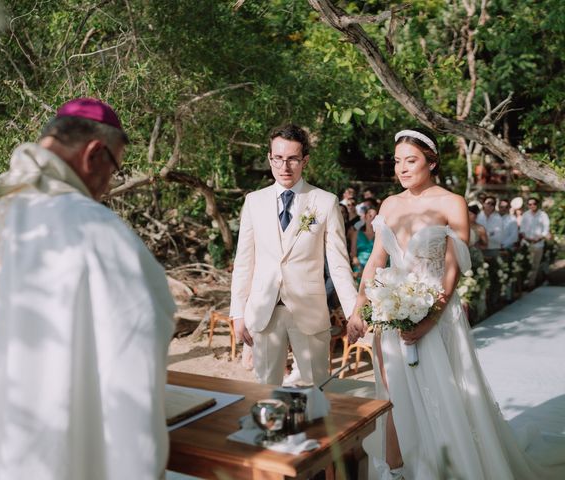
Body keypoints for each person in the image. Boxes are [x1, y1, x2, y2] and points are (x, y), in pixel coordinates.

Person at [0, 98, 176, 480]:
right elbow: (138, 342)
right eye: (115, 168)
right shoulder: (93, 228)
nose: (109, 186)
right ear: (95, 153)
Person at [347, 128, 564, 480]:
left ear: (431, 162)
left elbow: (453, 269)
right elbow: (376, 262)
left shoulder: (452, 203)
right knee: (391, 395)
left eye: (411, 160)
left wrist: (429, 318)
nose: (402, 168)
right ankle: (395, 470)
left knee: (442, 394)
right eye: (398, 161)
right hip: (390, 313)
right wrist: (360, 306)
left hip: (436, 313)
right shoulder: (388, 204)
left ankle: (445, 467)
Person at [230, 124, 357, 386]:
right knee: (266, 391)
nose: (284, 166)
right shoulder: (254, 201)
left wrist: (354, 311)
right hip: (264, 311)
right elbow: (244, 261)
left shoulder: (325, 201)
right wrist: (237, 313)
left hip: (309, 311)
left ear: (305, 160)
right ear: (269, 158)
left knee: (315, 391)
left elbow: (339, 264)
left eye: (292, 159)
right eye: (278, 158)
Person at [520, 197, 551, 289]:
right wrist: (526, 238)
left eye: (534, 204)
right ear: (528, 205)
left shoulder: (543, 215)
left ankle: (530, 284)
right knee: (525, 263)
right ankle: (524, 283)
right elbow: (522, 229)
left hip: (538, 244)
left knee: (535, 265)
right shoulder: (525, 215)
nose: (532, 206)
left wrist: (539, 237)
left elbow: (546, 229)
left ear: (537, 204)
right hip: (526, 243)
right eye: (530, 204)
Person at [349, 204, 377, 277]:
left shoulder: (379, 235)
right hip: (359, 266)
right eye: (370, 216)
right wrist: (360, 268)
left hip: (375, 267)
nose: (372, 219)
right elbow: (353, 254)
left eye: (375, 217)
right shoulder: (356, 233)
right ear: (365, 217)